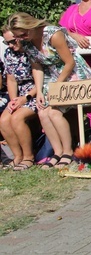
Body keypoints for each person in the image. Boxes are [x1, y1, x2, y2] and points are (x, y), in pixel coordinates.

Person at [8, 13, 91, 169]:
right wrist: (40, 91)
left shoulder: (53, 35)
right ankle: (57, 151)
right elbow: (37, 67)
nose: (22, 38)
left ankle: (68, 151)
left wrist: (56, 87)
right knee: (42, 112)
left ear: (30, 25)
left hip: (71, 74)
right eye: (18, 36)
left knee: (54, 112)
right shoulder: (27, 43)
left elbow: (69, 62)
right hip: (51, 76)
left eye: (23, 33)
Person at [0, 27, 38, 171]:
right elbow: (11, 79)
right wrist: (14, 100)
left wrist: (25, 98)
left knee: (16, 118)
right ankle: (17, 156)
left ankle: (29, 156)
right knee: (4, 120)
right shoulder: (9, 53)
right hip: (20, 93)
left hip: (36, 92)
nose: (10, 45)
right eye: (6, 42)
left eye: (12, 41)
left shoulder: (32, 50)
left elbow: (41, 79)